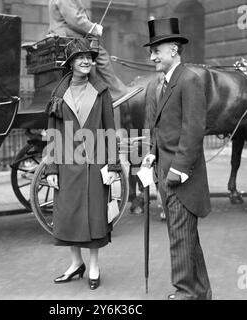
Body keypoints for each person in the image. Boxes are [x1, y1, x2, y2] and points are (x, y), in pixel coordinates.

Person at [142, 17, 212, 300]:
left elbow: (194, 129)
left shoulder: (189, 80)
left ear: (173, 49)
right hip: (164, 170)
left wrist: (179, 170)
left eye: (156, 50)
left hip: (181, 176)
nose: (151, 56)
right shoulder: (163, 84)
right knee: (186, 238)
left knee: (181, 237)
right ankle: (201, 292)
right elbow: (161, 128)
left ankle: (185, 292)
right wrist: (150, 154)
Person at [44, 37, 121, 290]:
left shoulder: (101, 90)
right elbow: (54, 132)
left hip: (94, 165)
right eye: (80, 57)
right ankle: (76, 264)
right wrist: (52, 169)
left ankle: (95, 267)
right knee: (69, 217)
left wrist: (112, 166)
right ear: (71, 63)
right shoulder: (59, 94)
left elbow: (110, 129)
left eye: (89, 56)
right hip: (67, 165)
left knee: (94, 217)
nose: (87, 60)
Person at [47, 0, 131, 102]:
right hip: (69, 35)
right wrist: (94, 28)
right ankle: (116, 92)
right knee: (102, 55)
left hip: (64, 34)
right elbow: (75, 19)